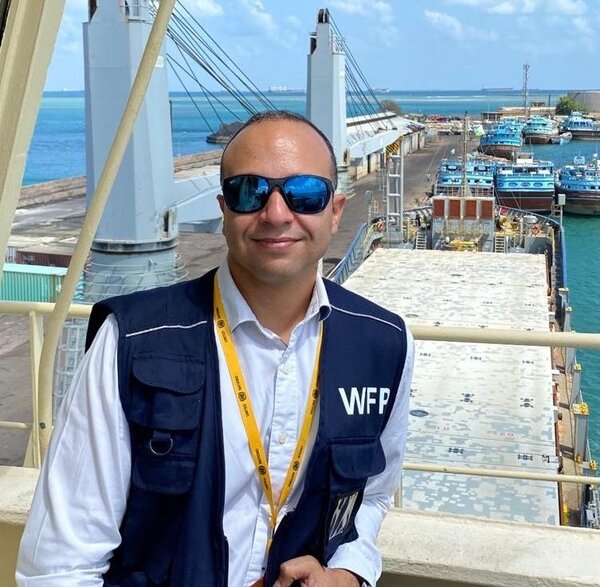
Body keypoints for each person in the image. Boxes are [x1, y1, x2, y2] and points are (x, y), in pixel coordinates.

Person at [17, 111, 414, 587]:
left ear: (335, 210)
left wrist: (349, 572)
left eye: (305, 192)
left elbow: (370, 494)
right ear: (224, 209)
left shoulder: (382, 343)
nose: (276, 213)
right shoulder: (131, 341)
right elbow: (61, 566)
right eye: (251, 191)